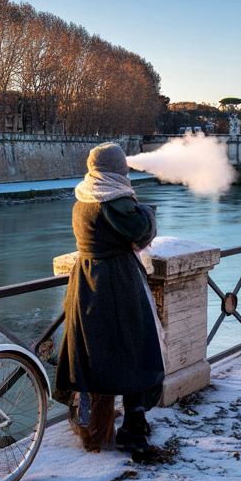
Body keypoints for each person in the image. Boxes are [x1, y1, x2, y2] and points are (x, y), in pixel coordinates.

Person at [55, 142, 164, 461]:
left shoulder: (83, 196)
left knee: (94, 355)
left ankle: (94, 426)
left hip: (86, 282)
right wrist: (146, 211)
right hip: (116, 283)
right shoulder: (114, 200)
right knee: (136, 350)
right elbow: (140, 232)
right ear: (116, 168)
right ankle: (134, 426)